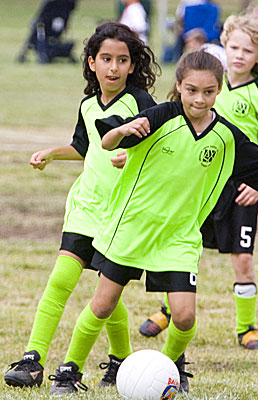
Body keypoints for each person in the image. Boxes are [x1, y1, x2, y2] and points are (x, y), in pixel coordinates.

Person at [47, 49, 258, 394]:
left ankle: (171, 367)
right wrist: (123, 130)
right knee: (102, 305)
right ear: (179, 86)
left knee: (184, 316)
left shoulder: (226, 136)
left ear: (219, 90)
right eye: (191, 90)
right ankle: (68, 371)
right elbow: (106, 141)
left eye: (208, 92)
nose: (199, 99)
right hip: (131, 228)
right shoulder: (161, 116)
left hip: (178, 237)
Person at [3, 21, 159, 391]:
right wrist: (52, 154)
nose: (113, 67)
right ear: (91, 62)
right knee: (61, 279)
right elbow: (83, 147)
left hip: (121, 213)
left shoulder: (141, 104)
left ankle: (120, 359)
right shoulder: (88, 105)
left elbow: (159, 150)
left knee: (107, 293)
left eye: (122, 60)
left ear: (132, 66)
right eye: (106, 59)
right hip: (85, 205)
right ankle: (32, 360)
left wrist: (129, 157)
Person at [140, 13, 258, 352]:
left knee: (243, 259)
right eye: (234, 48)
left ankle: (247, 328)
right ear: (224, 45)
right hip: (201, 184)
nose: (239, 55)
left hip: (241, 190)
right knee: (181, 250)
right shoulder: (208, 83)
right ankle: (168, 310)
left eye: (248, 50)